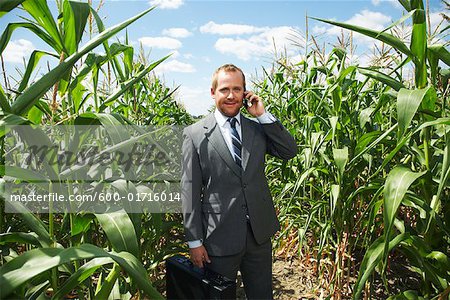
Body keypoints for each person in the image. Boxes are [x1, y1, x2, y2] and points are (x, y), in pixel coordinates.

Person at [181, 64, 297, 299]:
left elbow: (289, 150)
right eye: (224, 89)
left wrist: (262, 115)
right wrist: (194, 241)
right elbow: (189, 191)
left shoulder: (257, 129)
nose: (231, 95)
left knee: (262, 295)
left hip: (258, 234)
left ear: (245, 93)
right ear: (213, 92)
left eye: (237, 89)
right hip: (219, 238)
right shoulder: (194, 134)